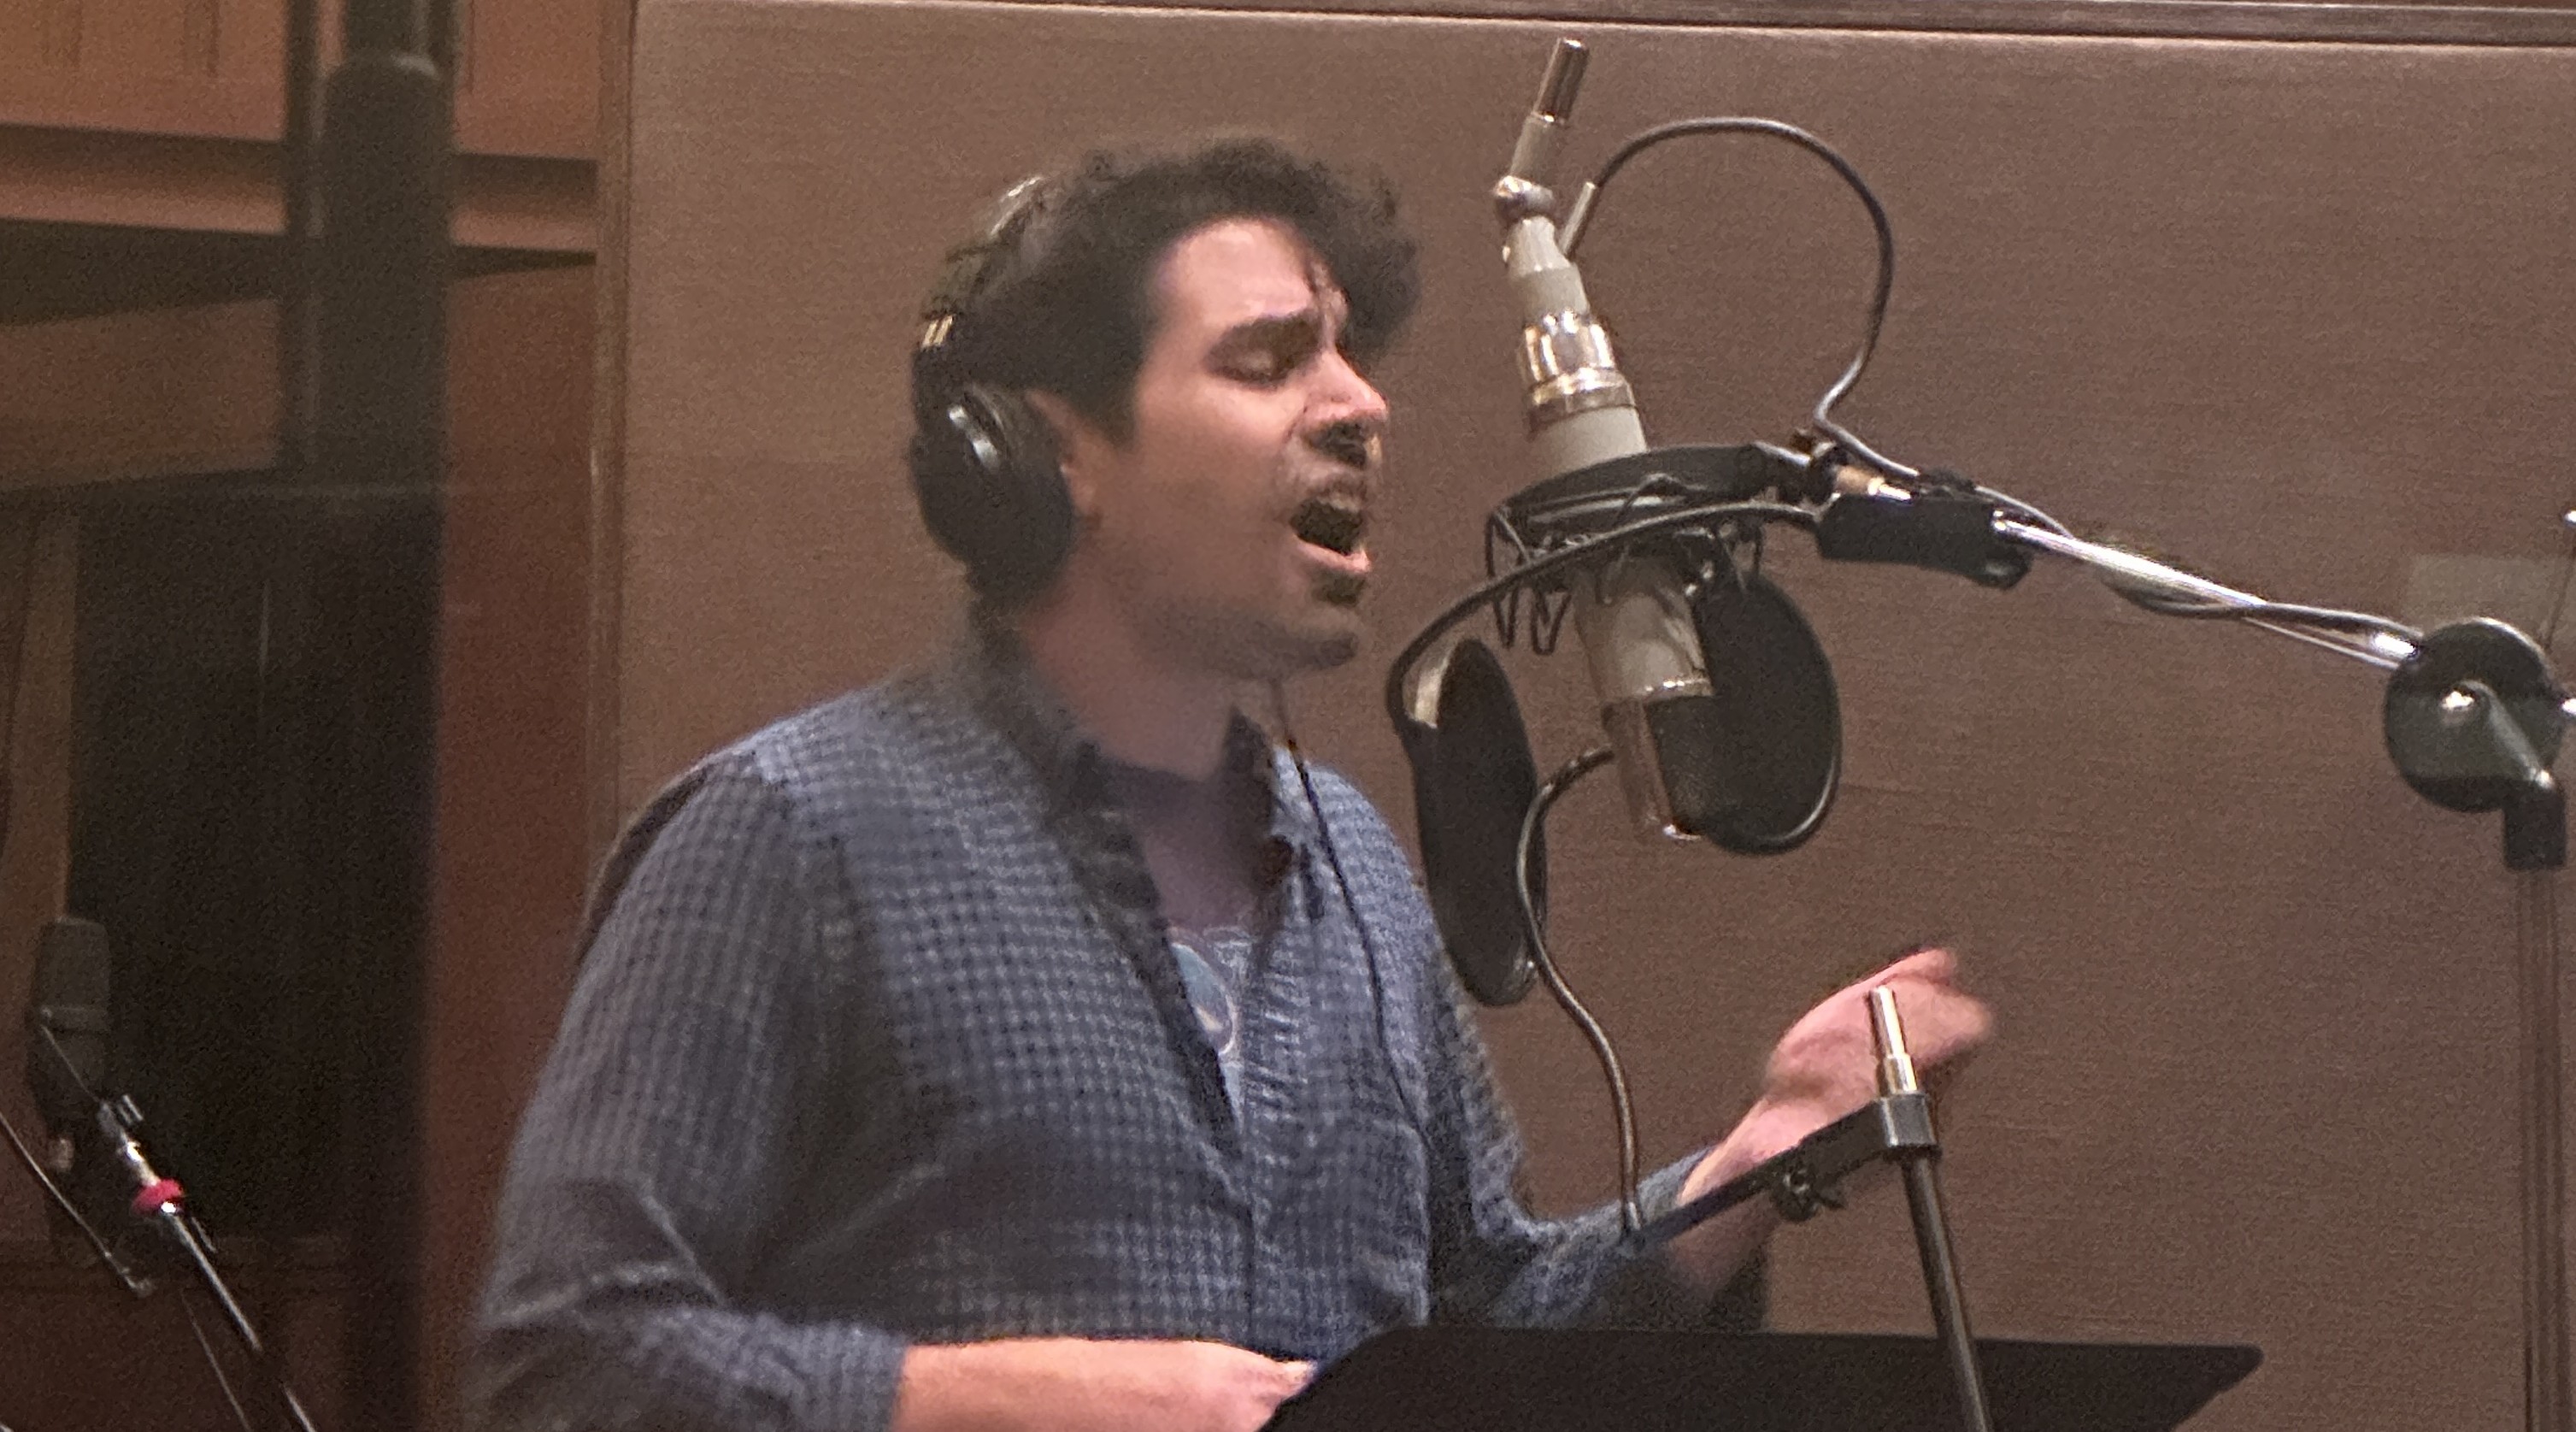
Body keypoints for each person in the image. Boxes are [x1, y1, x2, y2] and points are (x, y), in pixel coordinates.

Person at [468, 137, 1991, 1432]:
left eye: (1348, 354)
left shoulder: (1347, 863)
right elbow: (564, 1363)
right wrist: (989, 1400)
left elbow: (1475, 1330)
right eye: (1267, 361)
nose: (1359, 404)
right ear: (1041, 452)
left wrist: (1757, 1161)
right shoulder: (790, 836)